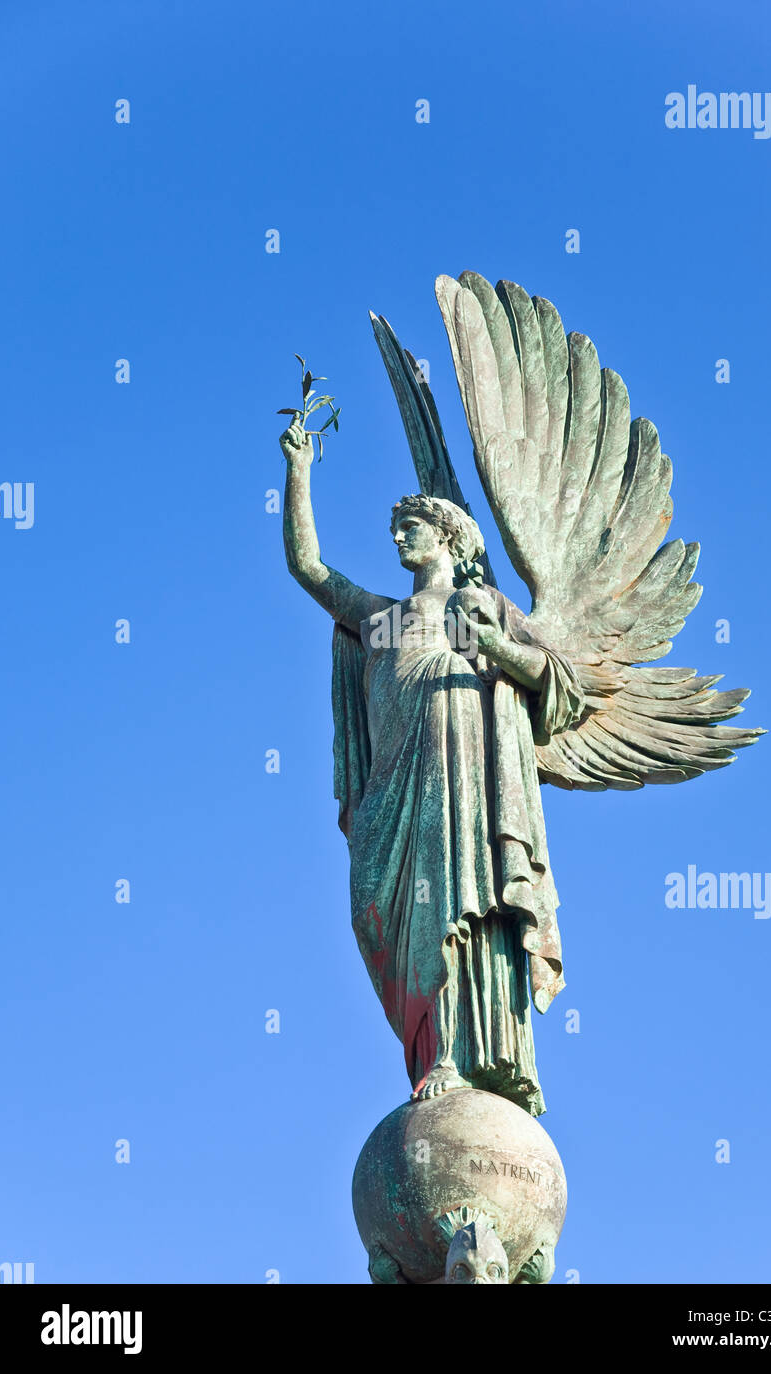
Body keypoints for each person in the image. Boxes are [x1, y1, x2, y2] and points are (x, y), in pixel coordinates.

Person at [281, 417, 583, 1115]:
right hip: (393, 791)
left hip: (461, 777)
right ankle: (430, 1044)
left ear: (447, 537)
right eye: (396, 528)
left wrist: (496, 651)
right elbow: (309, 568)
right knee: (380, 916)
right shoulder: (381, 619)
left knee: (456, 905)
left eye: (411, 526)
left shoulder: (477, 603)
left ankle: (459, 1053)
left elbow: (557, 683)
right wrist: (299, 469)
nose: (397, 538)